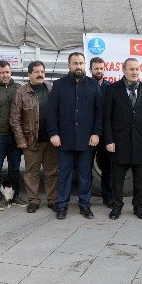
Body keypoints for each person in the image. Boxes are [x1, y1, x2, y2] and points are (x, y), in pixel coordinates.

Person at [48, 52, 103, 220]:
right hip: (64, 140)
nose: (78, 66)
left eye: (81, 63)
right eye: (75, 63)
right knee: (64, 174)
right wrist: (54, 133)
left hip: (87, 140)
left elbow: (99, 112)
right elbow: (52, 112)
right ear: (69, 65)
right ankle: (62, 205)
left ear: (85, 65)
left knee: (85, 174)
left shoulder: (94, 86)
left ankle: (85, 205)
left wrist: (96, 133)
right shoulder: (59, 85)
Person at [104, 58, 142, 220]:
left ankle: (138, 207)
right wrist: (109, 140)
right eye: (131, 69)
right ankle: (116, 207)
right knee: (118, 179)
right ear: (124, 70)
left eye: (137, 69)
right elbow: (107, 117)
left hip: (140, 141)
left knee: (140, 180)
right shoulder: (113, 89)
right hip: (119, 142)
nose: (135, 72)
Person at [10, 60, 59, 213]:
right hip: (31, 141)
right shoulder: (21, 92)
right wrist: (21, 140)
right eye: (36, 72)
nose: (40, 75)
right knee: (32, 172)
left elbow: (59, 115)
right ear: (29, 74)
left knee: (52, 171)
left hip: (51, 141)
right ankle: (34, 200)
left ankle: (52, 200)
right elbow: (15, 119)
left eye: (42, 72)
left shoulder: (52, 90)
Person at [0, 60, 26, 210]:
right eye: (2, 72)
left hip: (14, 136)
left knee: (15, 168)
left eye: (7, 72)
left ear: (10, 72)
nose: (5, 75)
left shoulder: (18, 88)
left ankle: (14, 196)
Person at [90, 57, 114, 208]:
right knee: (85, 168)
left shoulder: (110, 87)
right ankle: (85, 199)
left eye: (101, 68)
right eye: (96, 68)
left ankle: (108, 197)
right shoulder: (85, 85)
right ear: (91, 69)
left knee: (108, 168)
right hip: (89, 135)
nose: (99, 71)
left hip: (106, 135)